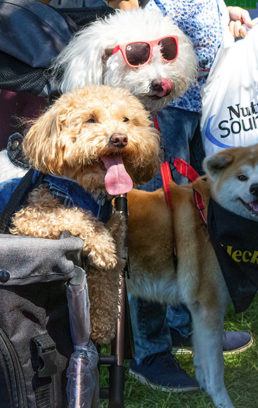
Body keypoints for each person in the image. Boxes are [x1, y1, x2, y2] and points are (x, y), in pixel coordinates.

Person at [129, 0, 254, 392]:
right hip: (162, 105)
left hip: (202, 107)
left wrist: (223, 15)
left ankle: (181, 327)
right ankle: (150, 352)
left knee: (201, 223)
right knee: (154, 230)